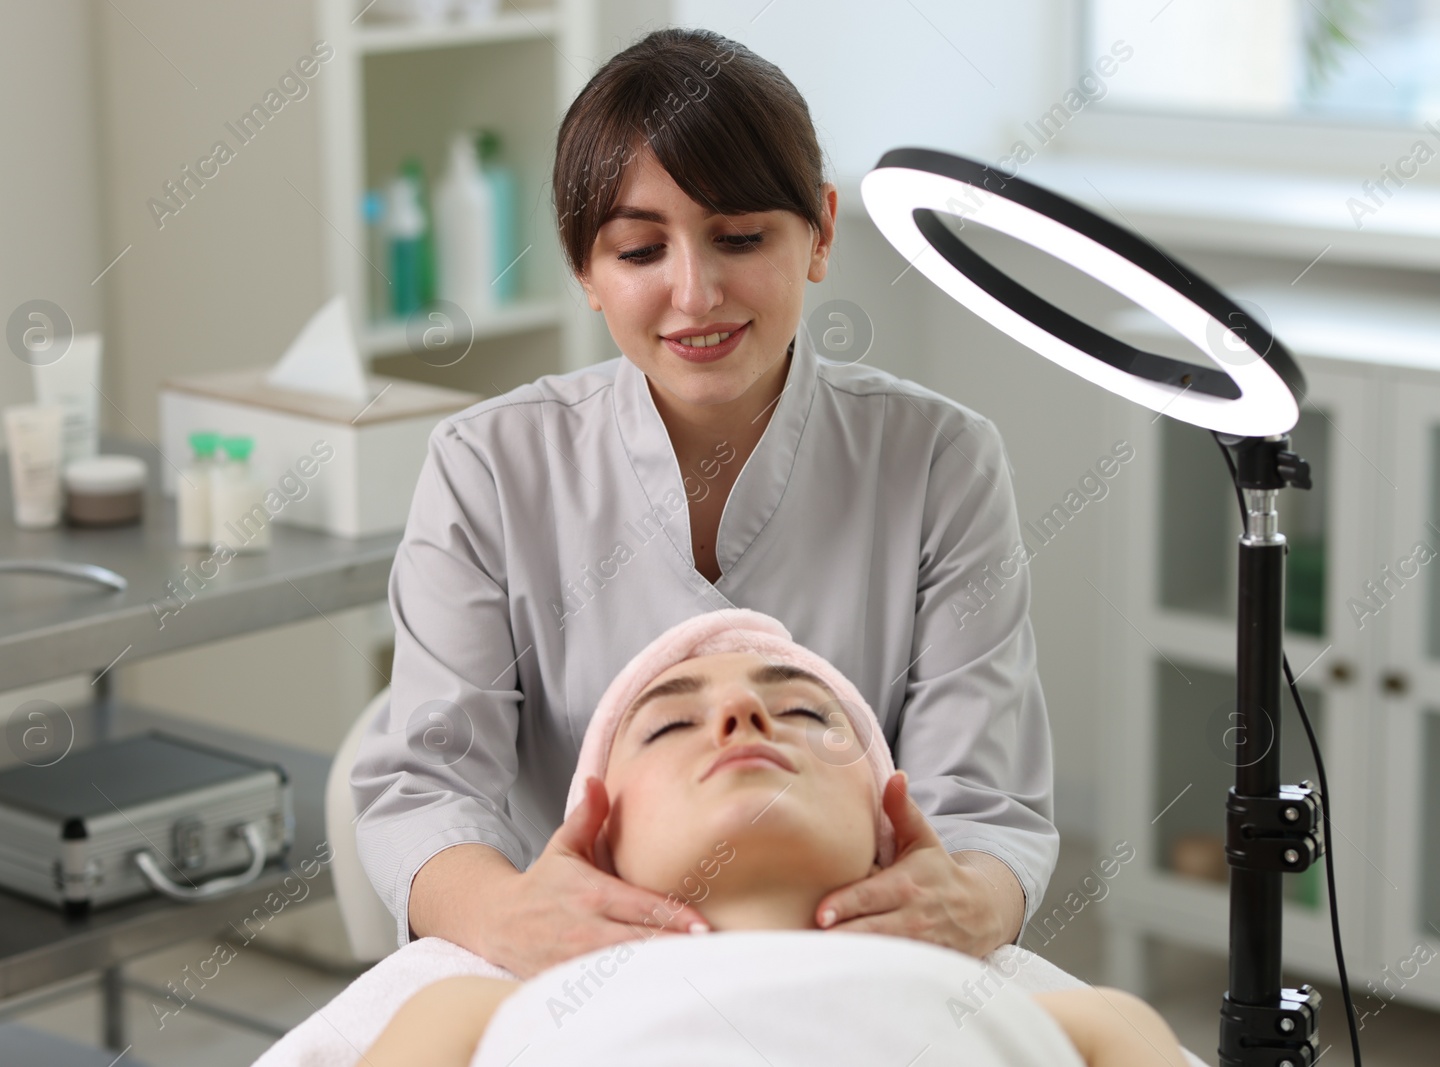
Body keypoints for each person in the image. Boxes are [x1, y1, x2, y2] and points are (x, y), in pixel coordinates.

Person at [349, 25, 1058, 981]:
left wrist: (961, 902)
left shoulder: (940, 462)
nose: (696, 293)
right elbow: (425, 784)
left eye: (739, 237)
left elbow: (982, 802)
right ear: (584, 273)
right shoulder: (489, 466)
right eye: (640, 250)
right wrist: (513, 916)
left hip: (868, 971)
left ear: (822, 231)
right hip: (572, 981)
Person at [356, 611, 1183, 1067]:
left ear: (887, 826)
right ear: (598, 844)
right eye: (674, 721)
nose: (740, 715)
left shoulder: (1091, 1025)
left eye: (802, 713)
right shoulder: (478, 1013)